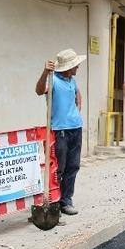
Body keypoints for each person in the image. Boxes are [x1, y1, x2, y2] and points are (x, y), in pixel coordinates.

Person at [34, 48, 86, 215]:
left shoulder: (72, 80)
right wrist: (45, 72)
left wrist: (77, 111)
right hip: (59, 130)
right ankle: (54, 203)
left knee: (73, 166)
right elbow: (39, 91)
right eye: (75, 65)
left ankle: (66, 201)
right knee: (58, 169)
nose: (77, 67)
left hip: (75, 128)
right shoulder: (53, 79)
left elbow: (78, 95)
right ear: (68, 67)